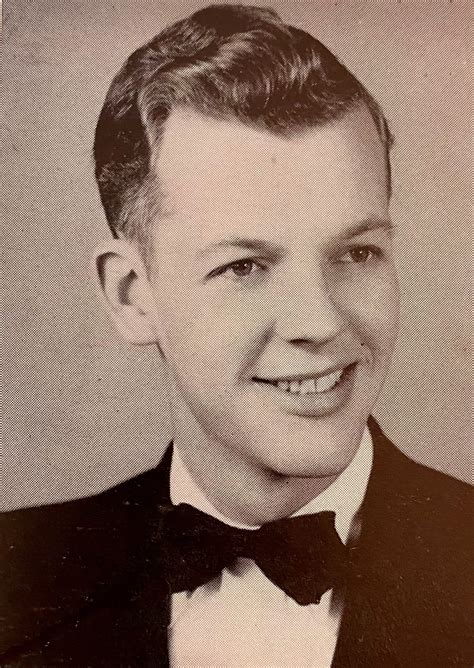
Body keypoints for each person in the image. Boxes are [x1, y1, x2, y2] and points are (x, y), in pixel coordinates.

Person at [1, 4, 471, 666]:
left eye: (357, 252)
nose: (320, 322)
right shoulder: (18, 579)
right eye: (244, 266)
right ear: (132, 295)